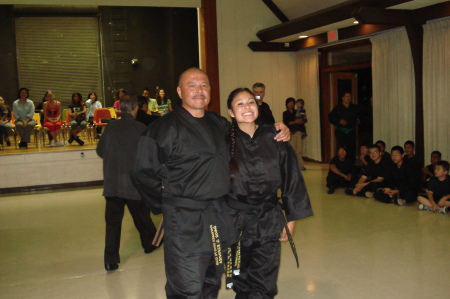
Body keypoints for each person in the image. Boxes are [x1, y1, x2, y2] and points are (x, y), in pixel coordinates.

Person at [131, 68, 290, 298]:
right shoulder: (163, 128)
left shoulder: (219, 123)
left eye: (204, 85)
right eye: (192, 85)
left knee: (211, 279)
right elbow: (142, 171)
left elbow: (247, 135)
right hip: (185, 220)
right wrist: (165, 202)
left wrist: (274, 129)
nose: (199, 90)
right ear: (179, 91)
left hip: (218, 217)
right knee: (187, 285)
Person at [225, 87, 313, 298]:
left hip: (269, 218)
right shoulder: (222, 140)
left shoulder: (276, 137)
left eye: (251, 102)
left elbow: (292, 178)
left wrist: (291, 219)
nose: (247, 107)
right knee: (239, 277)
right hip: (234, 221)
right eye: (240, 103)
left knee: (264, 281)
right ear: (230, 112)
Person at [96, 96, 158, 272]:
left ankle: (111, 260)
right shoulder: (140, 128)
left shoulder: (110, 127)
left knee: (113, 223)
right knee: (141, 217)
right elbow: (148, 156)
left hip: (112, 184)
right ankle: (149, 244)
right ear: (135, 109)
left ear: (120, 110)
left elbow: (100, 150)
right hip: (133, 183)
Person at [329, 91, 359, 160]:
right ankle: (340, 163)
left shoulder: (354, 107)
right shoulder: (337, 108)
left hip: (351, 132)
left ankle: (351, 164)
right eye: (347, 96)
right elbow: (331, 117)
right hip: (341, 132)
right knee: (341, 148)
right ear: (343, 98)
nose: (349, 98)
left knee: (351, 149)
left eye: (350, 96)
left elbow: (358, 116)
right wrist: (339, 121)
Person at [283, 97, 306, 170]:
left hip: (298, 131)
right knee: (292, 149)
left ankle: (301, 165)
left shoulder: (298, 111)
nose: (291, 104)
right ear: (286, 104)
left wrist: (300, 121)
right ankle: (292, 165)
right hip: (290, 132)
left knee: (299, 149)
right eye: (289, 103)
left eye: (292, 103)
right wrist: (295, 121)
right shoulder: (285, 113)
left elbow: (304, 120)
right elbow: (286, 123)